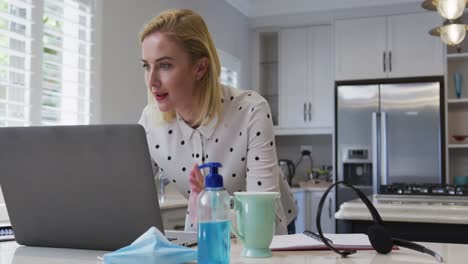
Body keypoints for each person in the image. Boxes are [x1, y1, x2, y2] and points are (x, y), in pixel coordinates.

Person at [137, 9, 297, 235]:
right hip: (205, 230)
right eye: (146, 65)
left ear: (200, 68)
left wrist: (212, 208)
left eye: (165, 66)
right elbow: (127, 194)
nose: (151, 80)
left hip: (267, 233)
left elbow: (264, 224)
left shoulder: (251, 111)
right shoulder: (150, 122)